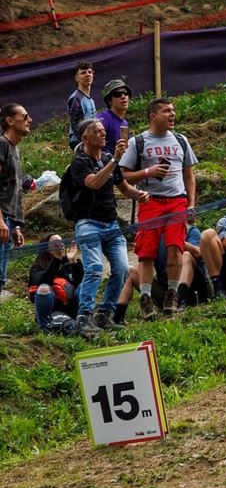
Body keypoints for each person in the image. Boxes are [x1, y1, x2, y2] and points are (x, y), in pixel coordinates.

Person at [118, 98, 196, 317]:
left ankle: (172, 294)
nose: (172, 115)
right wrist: (147, 173)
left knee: (175, 247)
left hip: (176, 201)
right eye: (166, 111)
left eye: (173, 111)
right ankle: (145, 298)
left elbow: (189, 175)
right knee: (147, 252)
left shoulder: (181, 140)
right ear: (153, 116)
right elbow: (122, 175)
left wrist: (191, 204)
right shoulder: (138, 142)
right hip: (149, 200)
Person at [68, 118, 147, 331]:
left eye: (104, 131)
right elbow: (93, 183)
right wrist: (115, 161)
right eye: (97, 131)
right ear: (85, 137)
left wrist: (140, 194)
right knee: (94, 268)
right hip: (87, 224)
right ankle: (84, 317)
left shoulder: (108, 158)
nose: (103, 134)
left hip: (111, 225)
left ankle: (103, 315)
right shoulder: (79, 162)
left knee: (121, 269)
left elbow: (124, 188)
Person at [0, 103, 31, 283]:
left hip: (9, 222)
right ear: (10, 121)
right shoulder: (2, 144)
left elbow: (12, 189)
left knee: (1, 278)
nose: (30, 120)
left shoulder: (14, 148)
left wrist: (16, 226)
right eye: (25, 117)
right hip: (2, 220)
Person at [27, 236, 84, 333]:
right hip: (51, 310)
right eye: (55, 242)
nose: (60, 244)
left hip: (71, 308)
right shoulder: (37, 267)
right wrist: (57, 260)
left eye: (61, 241)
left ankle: (82, 321)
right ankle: (45, 327)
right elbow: (42, 283)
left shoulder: (69, 262)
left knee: (83, 286)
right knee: (44, 288)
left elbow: (80, 283)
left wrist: (74, 262)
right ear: (45, 248)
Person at [96, 79, 132, 156]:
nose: (123, 96)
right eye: (118, 94)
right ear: (109, 101)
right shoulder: (103, 119)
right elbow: (93, 146)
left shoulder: (124, 123)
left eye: (126, 93)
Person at [67, 61, 97, 148]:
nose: (88, 74)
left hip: (90, 140)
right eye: (83, 73)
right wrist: (83, 142)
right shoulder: (76, 98)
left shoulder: (90, 100)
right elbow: (75, 123)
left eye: (90, 72)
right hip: (80, 141)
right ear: (77, 78)